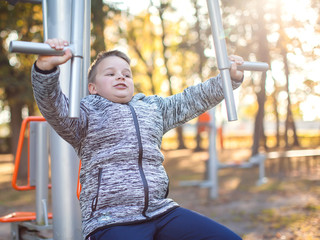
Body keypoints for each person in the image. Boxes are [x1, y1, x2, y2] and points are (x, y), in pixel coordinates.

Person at [31, 38, 244, 240]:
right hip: (111, 219)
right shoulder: (85, 114)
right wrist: (45, 70)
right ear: (93, 88)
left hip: (160, 211)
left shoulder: (152, 108)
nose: (121, 77)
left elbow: (192, 98)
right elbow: (53, 105)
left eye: (126, 74)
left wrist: (228, 79)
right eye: (110, 74)